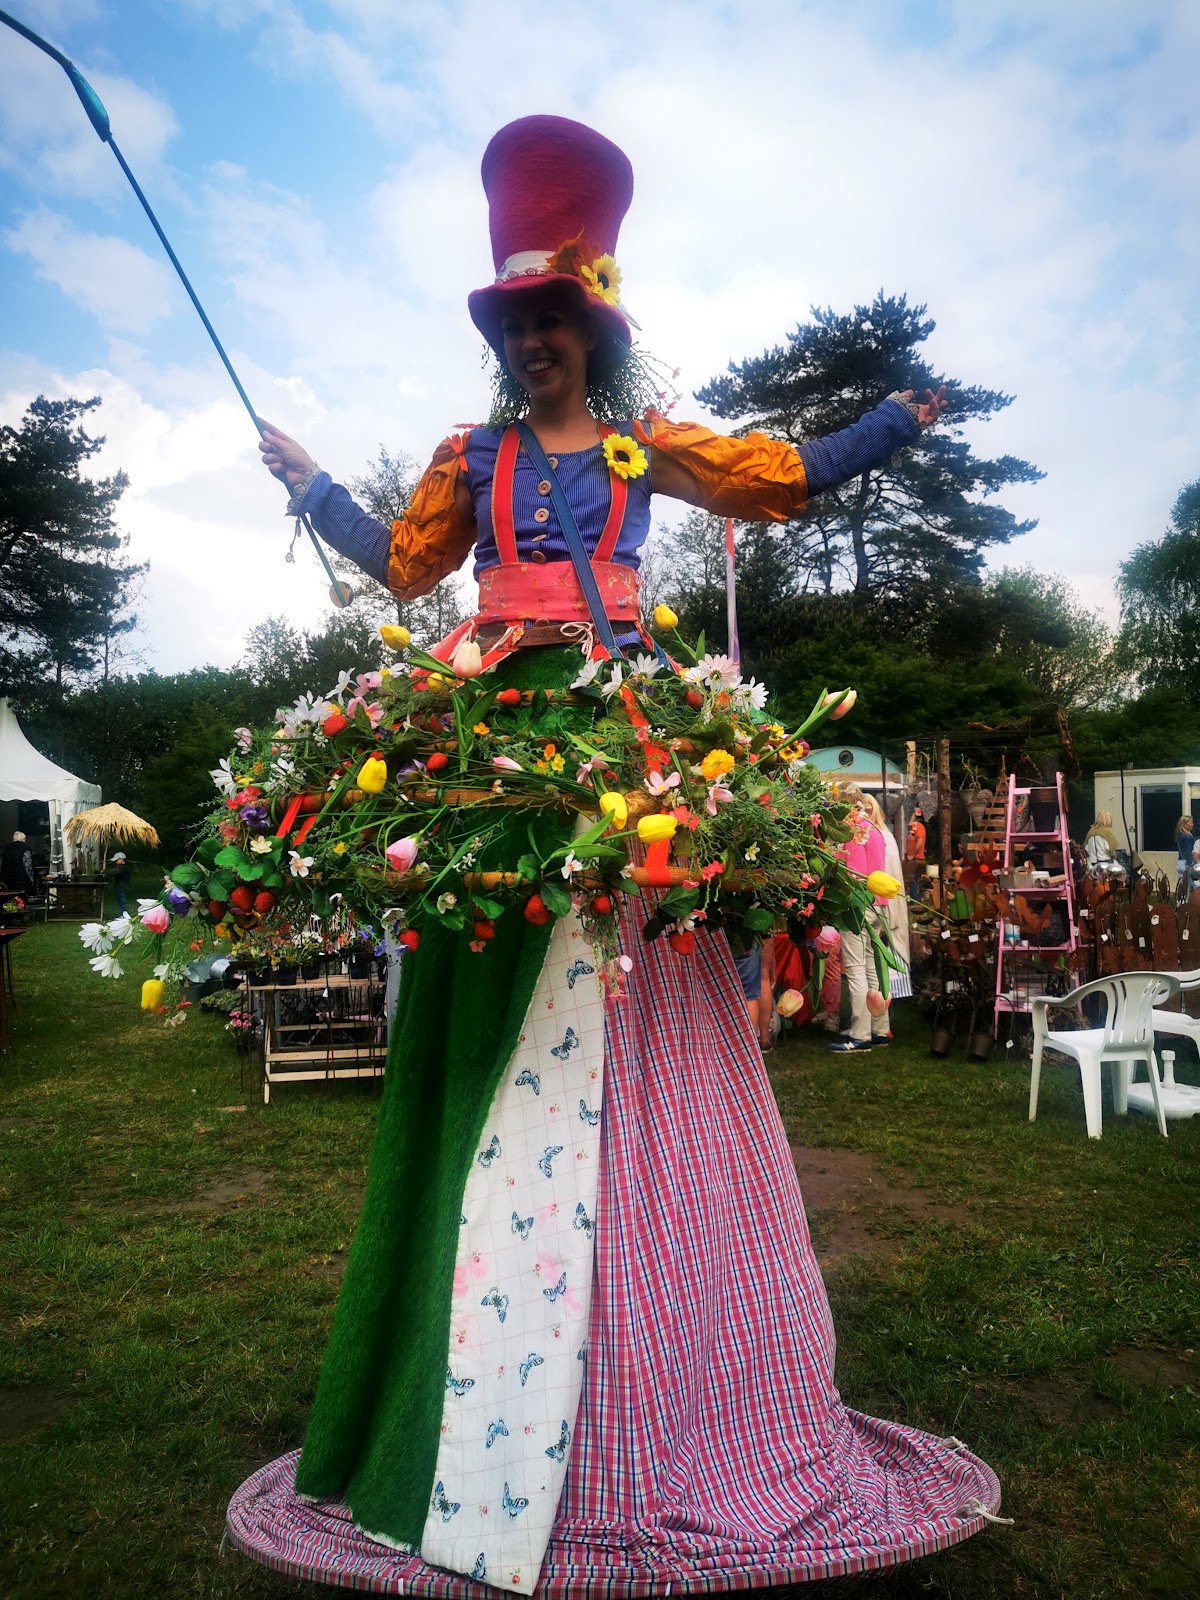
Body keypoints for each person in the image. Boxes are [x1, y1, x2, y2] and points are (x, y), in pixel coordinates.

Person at [228, 116, 998, 1594]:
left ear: (592, 331)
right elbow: (405, 566)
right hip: (502, 751)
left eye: (554, 320)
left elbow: (780, 476)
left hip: (624, 741)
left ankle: (655, 1287)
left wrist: (895, 421)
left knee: (653, 970)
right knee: (498, 962)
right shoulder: (471, 460)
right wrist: (313, 485)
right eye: (514, 324)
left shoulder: (651, 450)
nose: (534, 343)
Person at [860, 792, 912, 1041]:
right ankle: (880, 1026)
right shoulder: (883, 835)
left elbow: (882, 875)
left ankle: (865, 1030)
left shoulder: (877, 835)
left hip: (877, 905)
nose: (865, 812)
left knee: (869, 966)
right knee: (875, 966)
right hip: (882, 904)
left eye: (869, 808)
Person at [1082, 810, 1123, 875]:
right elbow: (1108, 848)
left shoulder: (1090, 831)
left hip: (1092, 864)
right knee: (1120, 873)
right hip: (1106, 862)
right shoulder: (1107, 832)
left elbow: (1086, 848)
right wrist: (1112, 855)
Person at [1, 831, 34, 896]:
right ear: (24, 839)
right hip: (22, 882)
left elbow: (2, 864)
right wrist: (31, 880)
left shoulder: (6, 849)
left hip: (7, 881)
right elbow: (28, 867)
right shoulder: (25, 849)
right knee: (21, 900)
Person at [1175, 815, 1195, 894]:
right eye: (1191, 823)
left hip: (1180, 862)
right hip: (1186, 863)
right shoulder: (1187, 837)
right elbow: (1188, 852)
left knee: (1183, 886)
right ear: (1185, 824)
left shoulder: (1180, 835)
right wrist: (1190, 865)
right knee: (1192, 887)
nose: (1192, 825)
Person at [109, 851, 131, 915]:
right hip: (120, 887)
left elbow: (115, 872)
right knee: (121, 901)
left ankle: (123, 914)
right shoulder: (120, 867)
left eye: (117, 860)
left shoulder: (124, 868)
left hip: (122, 887)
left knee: (122, 902)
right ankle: (122, 914)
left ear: (121, 859)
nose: (115, 861)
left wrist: (107, 871)